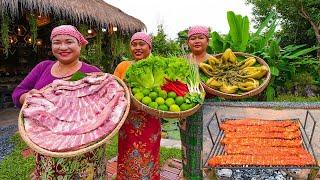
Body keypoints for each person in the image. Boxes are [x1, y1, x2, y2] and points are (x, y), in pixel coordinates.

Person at [12, 25, 104, 179]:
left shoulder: (92, 72)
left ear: (79, 45)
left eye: (69, 42)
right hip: (48, 145)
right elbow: (18, 92)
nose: (63, 47)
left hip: (85, 144)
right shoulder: (43, 67)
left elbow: (104, 105)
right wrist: (26, 96)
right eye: (57, 42)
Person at [114, 32, 161, 179]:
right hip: (127, 121)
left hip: (150, 120)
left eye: (142, 44)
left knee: (148, 153)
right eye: (134, 44)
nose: (137, 48)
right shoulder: (123, 66)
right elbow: (114, 88)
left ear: (150, 46)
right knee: (126, 153)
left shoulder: (157, 66)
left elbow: (164, 91)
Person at [180, 25, 212, 179]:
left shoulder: (213, 61)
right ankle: (190, 175)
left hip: (209, 109)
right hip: (187, 109)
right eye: (193, 38)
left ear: (208, 41)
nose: (197, 41)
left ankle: (209, 176)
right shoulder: (183, 61)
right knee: (189, 145)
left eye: (201, 37)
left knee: (208, 143)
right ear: (188, 42)